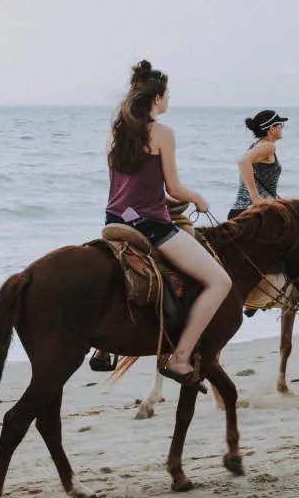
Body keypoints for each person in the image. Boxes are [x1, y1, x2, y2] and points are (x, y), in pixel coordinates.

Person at [105, 60, 231, 384]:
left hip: (114, 219)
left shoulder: (115, 132)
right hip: (150, 226)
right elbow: (173, 187)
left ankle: (104, 346)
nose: (169, 100)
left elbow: (127, 185)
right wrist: (197, 198)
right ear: (157, 98)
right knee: (220, 282)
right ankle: (180, 358)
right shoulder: (162, 132)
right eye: (168, 95)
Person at [228, 109, 288, 219]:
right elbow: (242, 162)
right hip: (252, 215)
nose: (282, 127)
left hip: (242, 212)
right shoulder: (268, 146)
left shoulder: (258, 145)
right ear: (271, 128)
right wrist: (255, 198)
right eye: (280, 125)